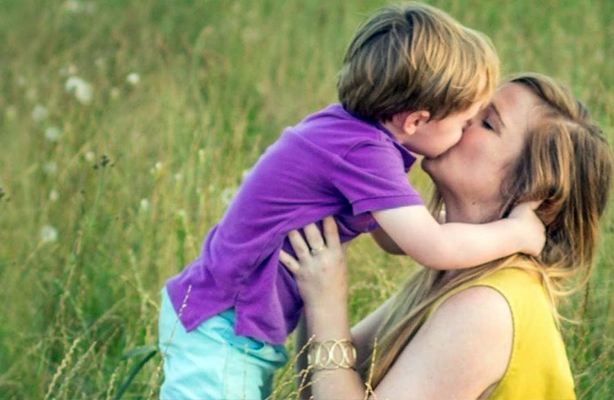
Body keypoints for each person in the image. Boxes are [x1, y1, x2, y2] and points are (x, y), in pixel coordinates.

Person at [158, 4, 546, 399]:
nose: (466, 133)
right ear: (414, 121)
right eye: (465, 123)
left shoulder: (351, 135)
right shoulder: (363, 152)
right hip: (223, 325)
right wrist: (515, 233)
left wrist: (453, 228)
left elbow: (393, 237)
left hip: (232, 325)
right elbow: (431, 247)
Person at [282, 73, 613, 400]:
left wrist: (326, 303)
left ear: (532, 190)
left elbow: (330, 375)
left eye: (488, 123)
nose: (464, 115)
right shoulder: (462, 269)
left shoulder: (486, 307)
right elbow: (321, 385)